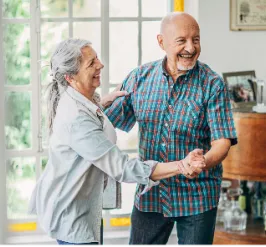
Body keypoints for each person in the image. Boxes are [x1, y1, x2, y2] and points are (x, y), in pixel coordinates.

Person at [28, 38, 206, 246]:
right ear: (70, 77)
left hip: (82, 208)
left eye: (97, 59)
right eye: (91, 63)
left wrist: (100, 104)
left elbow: (86, 119)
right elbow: (123, 168)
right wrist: (181, 165)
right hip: (72, 217)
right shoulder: (77, 118)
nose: (100, 65)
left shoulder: (80, 101)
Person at [104, 12, 238, 246]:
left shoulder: (212, 84)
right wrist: (88, 106)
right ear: (161, 42)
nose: (191, 47)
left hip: (198, 196)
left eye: (195, 40)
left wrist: (202, 162)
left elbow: (222, 142)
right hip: (151, 193)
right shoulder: (139, 79)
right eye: (181, 40)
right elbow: (105, 125)